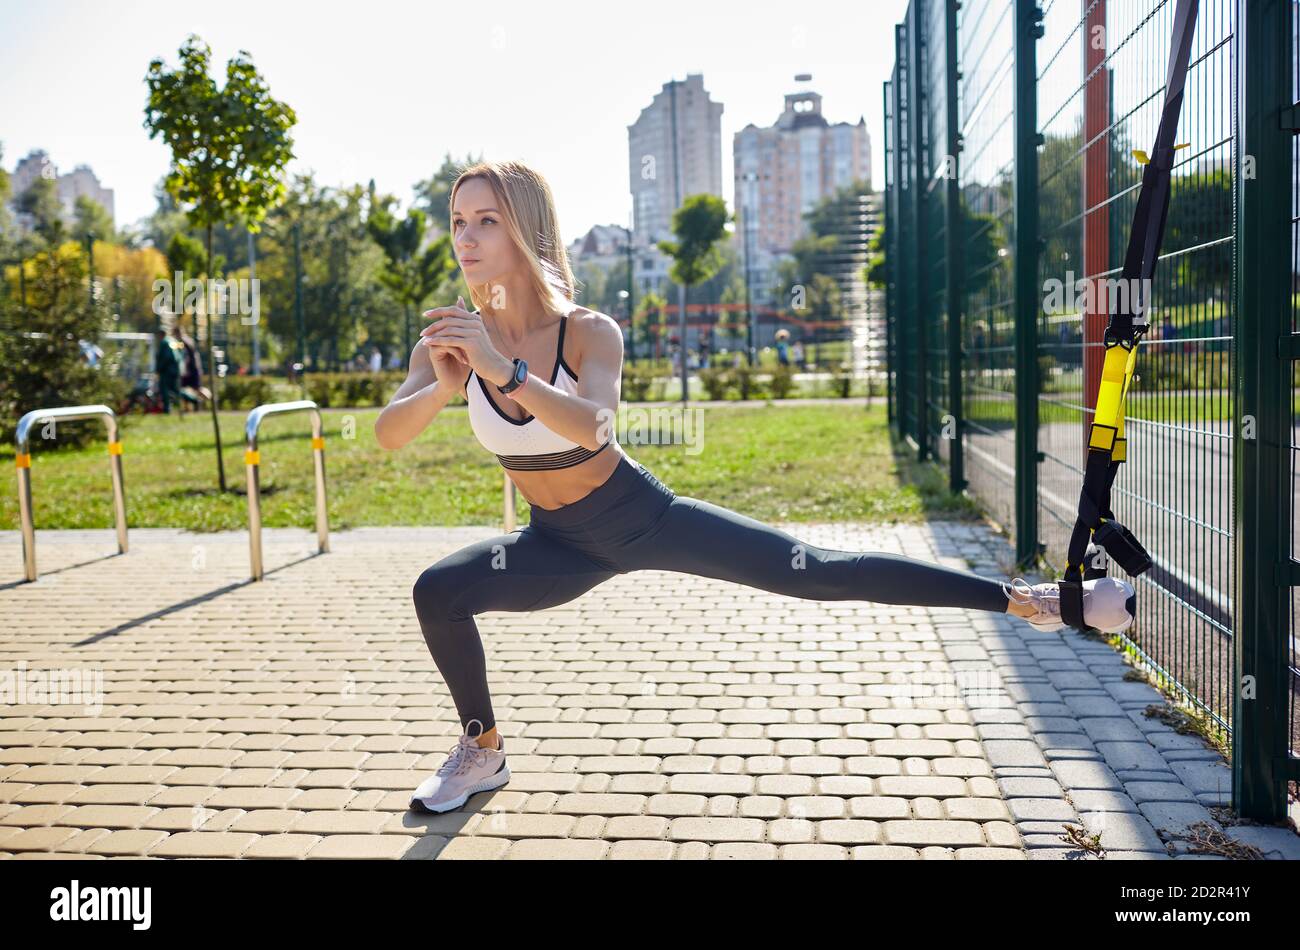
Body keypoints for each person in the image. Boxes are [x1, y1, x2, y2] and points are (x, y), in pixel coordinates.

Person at [374, 160, 1137, 815]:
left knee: (817, 571)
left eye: (485, 222)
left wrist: (503, 370)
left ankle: (1032, 601)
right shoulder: (448, 339)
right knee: (436, 591)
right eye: (456, 221)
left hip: (640, 516)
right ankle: (483, 749)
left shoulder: (587, 331)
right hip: (557, 543)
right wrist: (445, 385)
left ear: (525, 232)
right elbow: (388, 434)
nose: (465, 239)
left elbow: (593, 427)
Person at [153, 328, 195, 414]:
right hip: (176, 370)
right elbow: (180, 354)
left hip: (167, 371)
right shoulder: (173, 341)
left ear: (160, 335)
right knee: (176, 389)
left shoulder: (164, 342)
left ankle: (167, 409)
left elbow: (166, 357)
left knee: (165, 389)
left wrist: (159, 369)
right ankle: (194, 399)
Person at [172, 324, 209, 407]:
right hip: (192, 368)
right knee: (184, 388)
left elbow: (186, 357)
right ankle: (187, 408)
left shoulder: (183, 342)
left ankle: (210, 398)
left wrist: (184, 369)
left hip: (191, 370)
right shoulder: (187, 340)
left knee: (196, 388)